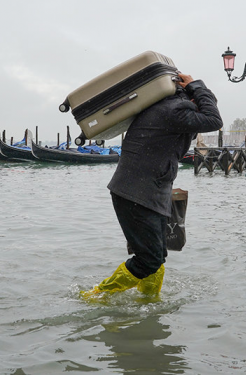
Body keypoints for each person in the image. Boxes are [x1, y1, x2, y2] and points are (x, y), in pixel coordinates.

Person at [82, 72, 223, 299]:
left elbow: (207, 114)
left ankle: (149, 301)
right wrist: (198, 86)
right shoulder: (175, 111)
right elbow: (214, 120)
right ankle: (96, 296)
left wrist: (197, 90)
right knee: (149, 259)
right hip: (136, 193)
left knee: (157, 256)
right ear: (190, 97)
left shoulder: (166, 107)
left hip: (146, 190)